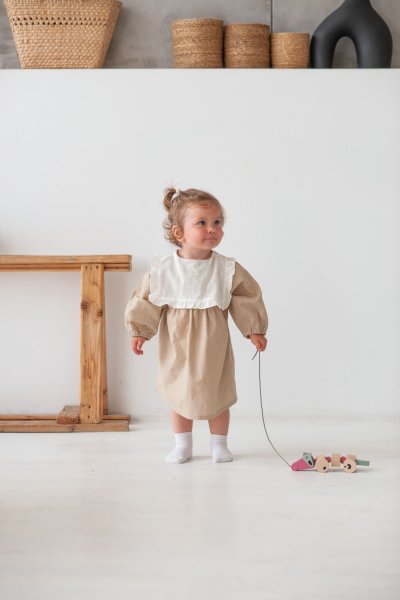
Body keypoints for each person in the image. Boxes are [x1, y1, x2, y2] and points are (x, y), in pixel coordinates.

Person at [125, 187, 268, 463]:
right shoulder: (165, 269)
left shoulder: (225, 268)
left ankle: (219, 444)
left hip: (213, 345)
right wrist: (140, 330)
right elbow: (146, 298)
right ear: (179, 232)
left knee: (217, 394)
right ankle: (183, 444)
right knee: (180, 395)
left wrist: (254, 329)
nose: (212, 228)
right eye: (202, 222)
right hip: (177, 346)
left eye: (217, 222)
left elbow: (246, 296)